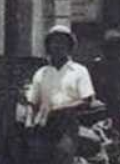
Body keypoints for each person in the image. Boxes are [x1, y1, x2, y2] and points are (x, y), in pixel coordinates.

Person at [24, 25, 95, 164]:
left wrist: (59, 109)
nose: (58, 46)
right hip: (43, 125)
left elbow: (87, 100)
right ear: (48, 46)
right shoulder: (42, 72)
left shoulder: (79, 71)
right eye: (54, 42)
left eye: (62, 42)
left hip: (67, 125)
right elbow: (32, 101)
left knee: (63, 154)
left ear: (69, 46)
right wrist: (28, 120)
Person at [90, 29, 120, 152]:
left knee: (118, 144)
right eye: (110, 48)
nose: (114, 52)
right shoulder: (96, 66)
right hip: (100, 110)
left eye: (117, 48)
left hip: (119, 111)